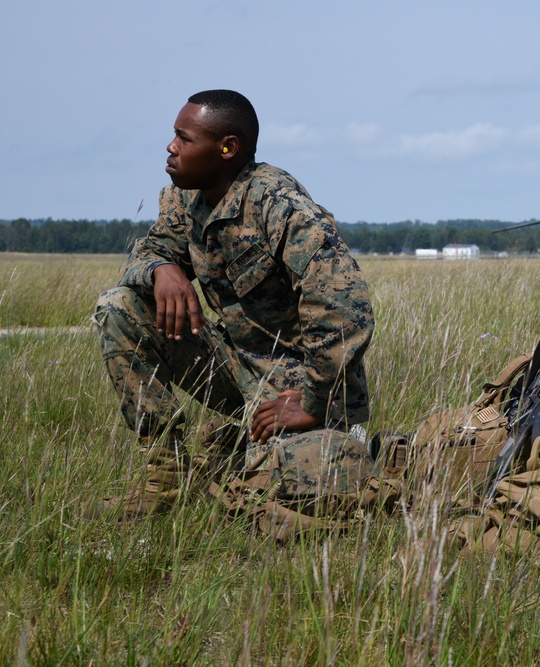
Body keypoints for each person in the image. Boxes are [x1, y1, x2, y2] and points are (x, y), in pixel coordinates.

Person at [93, 89, 377, 517]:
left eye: (184, 139)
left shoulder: (277, 204)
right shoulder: (184, 199)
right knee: (119, 306)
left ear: (227, 148)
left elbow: (345, 307)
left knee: (310, 481)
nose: (171, 148)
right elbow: (146, 252)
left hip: (295, 391)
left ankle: (238, 455)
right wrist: (161, 271)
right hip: (233, 367)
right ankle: (166, 477)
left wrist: (313, 401)